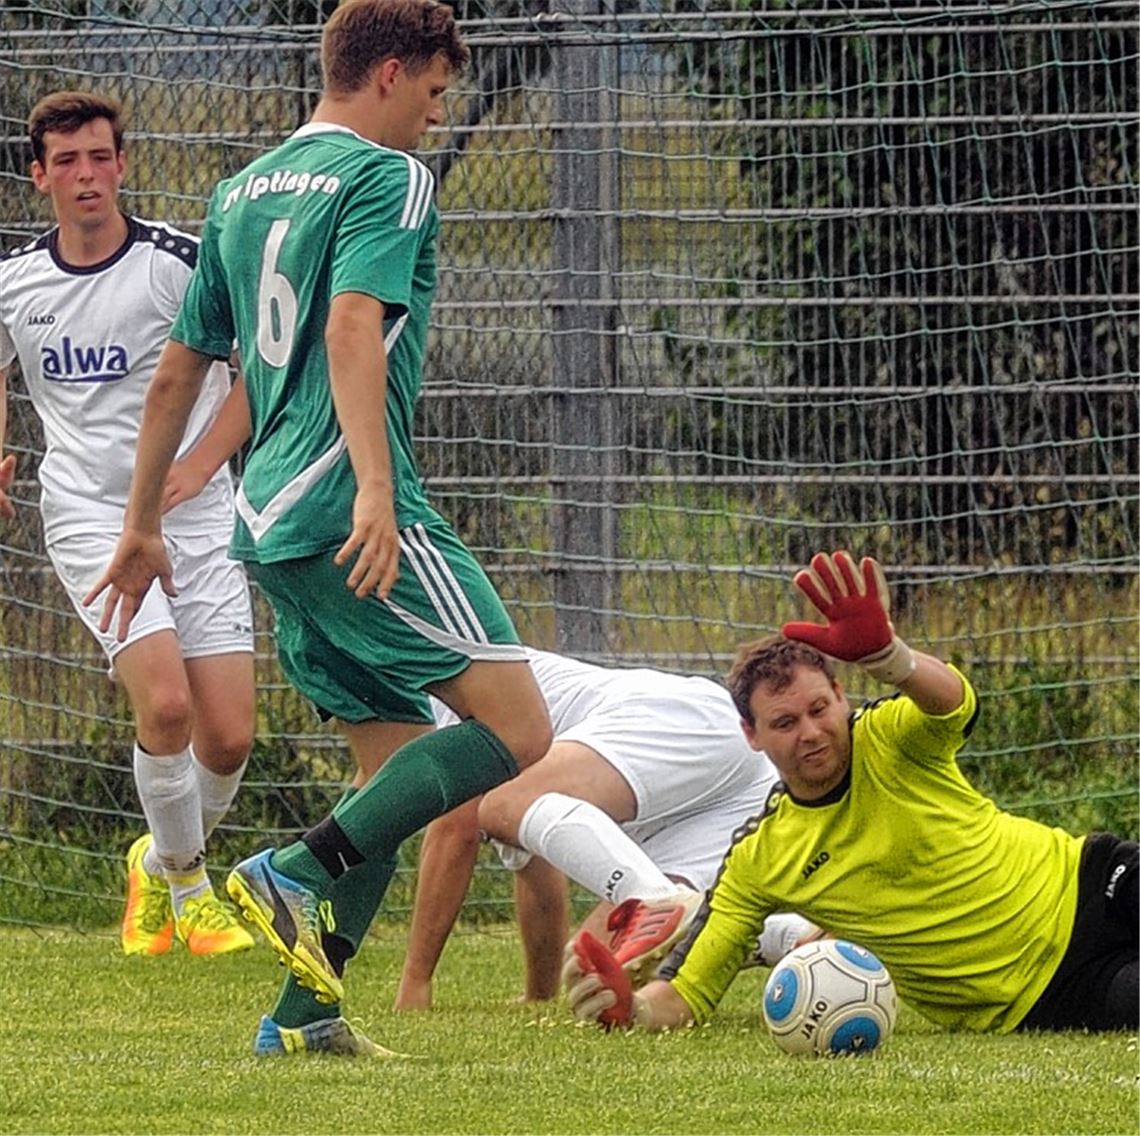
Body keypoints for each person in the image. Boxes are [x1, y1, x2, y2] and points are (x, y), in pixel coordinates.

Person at [85, 0, 552, 1058]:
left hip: (268, 522)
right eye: (435, 94)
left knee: (391, 762)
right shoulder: (388, 178)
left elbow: (182, 371)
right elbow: (350, 325)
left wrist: (144, 518)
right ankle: (285, 870)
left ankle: (304, 1014)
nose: (437, 118)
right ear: (389, 73)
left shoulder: (241, 190)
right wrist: (380, 492)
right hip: (349, 505)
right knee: (520, 730)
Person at [565, 550, 1139, 1035]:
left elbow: (955, 703)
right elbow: (686, 991)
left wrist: (890, 657)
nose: (811, 733)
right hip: (1036, 997)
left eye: (819, 709)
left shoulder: (887, 737)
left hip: (1091, 881)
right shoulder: (758, 859)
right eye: (785, 723)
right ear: (752, 735)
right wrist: (630, 1010)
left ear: (842, 696)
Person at [0, 90, 256, 958]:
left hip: (196, 516)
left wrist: (198, 464)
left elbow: (255, 376)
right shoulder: (18, 284)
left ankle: (160, 856)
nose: (87, 176)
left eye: (100, 157)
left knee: (229, 736)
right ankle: (190, 890)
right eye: (66, 161)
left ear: (122, 164)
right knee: (169, 704)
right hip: (90, 516)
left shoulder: (180, 266)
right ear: (38, 175)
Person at [394, 646, 818, 1011]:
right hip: (731, 783)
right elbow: (537, 874)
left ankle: (648, 895)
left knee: (499, 805)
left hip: (681, 722)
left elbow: (456, 829)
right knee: (592, 967)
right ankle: (800, 940)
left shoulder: (443, 688)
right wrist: (537, 997)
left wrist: (415, 982)